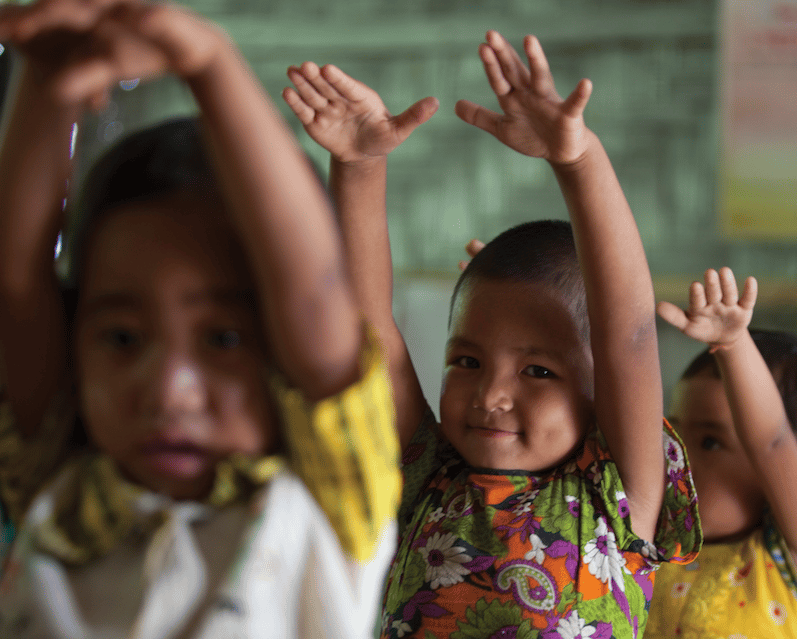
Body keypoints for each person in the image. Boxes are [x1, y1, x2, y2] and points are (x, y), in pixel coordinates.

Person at [0, 1, 402, 636]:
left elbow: (317, 288)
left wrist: (211, 65)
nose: (168, 392)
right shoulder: (65, 495)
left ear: (282, 348)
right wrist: (47, 81)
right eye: (122, 338)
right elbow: (17, 276)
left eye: (224, 338)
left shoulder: (331, 505)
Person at [283, 30, 701, 639]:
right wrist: (359, 167)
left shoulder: (614, 495)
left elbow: (628, 335)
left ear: (597, 389)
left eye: (537, 371)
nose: (490, 395)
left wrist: (579, 160)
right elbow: (366, 331)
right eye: (468, 361)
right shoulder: (428, 475)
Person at [647, 281, 797, 639]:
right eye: (674, 437)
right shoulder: (649, 553)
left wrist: (732, 345)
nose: (676, 460)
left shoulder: (788, 558)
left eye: (710, 442)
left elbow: (772, 441)